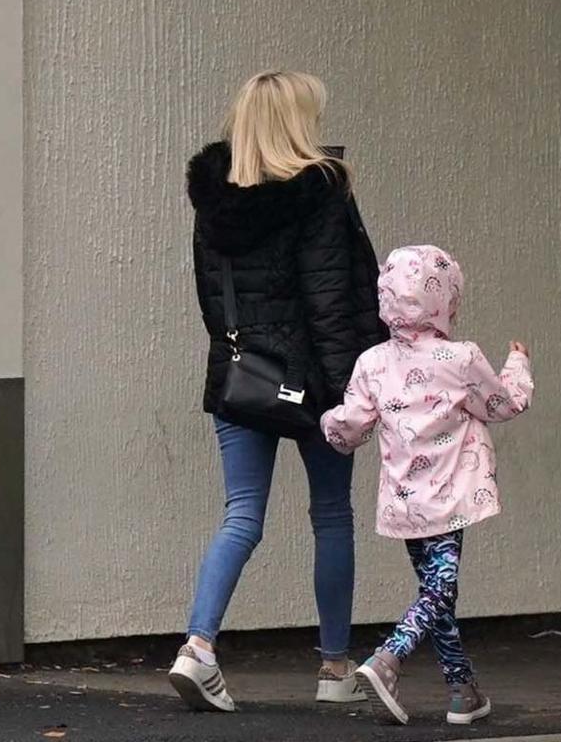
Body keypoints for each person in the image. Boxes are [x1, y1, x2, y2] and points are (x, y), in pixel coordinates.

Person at [170, 71, 383, 714]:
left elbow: (211, 298)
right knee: (331, 516)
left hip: (242, 376)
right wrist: (353, 389)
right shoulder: (322, 190)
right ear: (296, 123)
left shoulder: (214, 200)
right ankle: (334, 667)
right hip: (315, 380)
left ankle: (199, 648)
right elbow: (331, 299)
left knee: (241, 514)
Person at [322, 244, 534, 727]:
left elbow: (349, 427)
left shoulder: (371, 363)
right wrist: (518, 363)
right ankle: (388, 657)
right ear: (446, 300)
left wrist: (322, 419)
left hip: (403, 500)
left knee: (437, 591)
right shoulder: (459, 358)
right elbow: (502, 405)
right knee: (439, 587)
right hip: (451, 496)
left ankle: (463, 690)